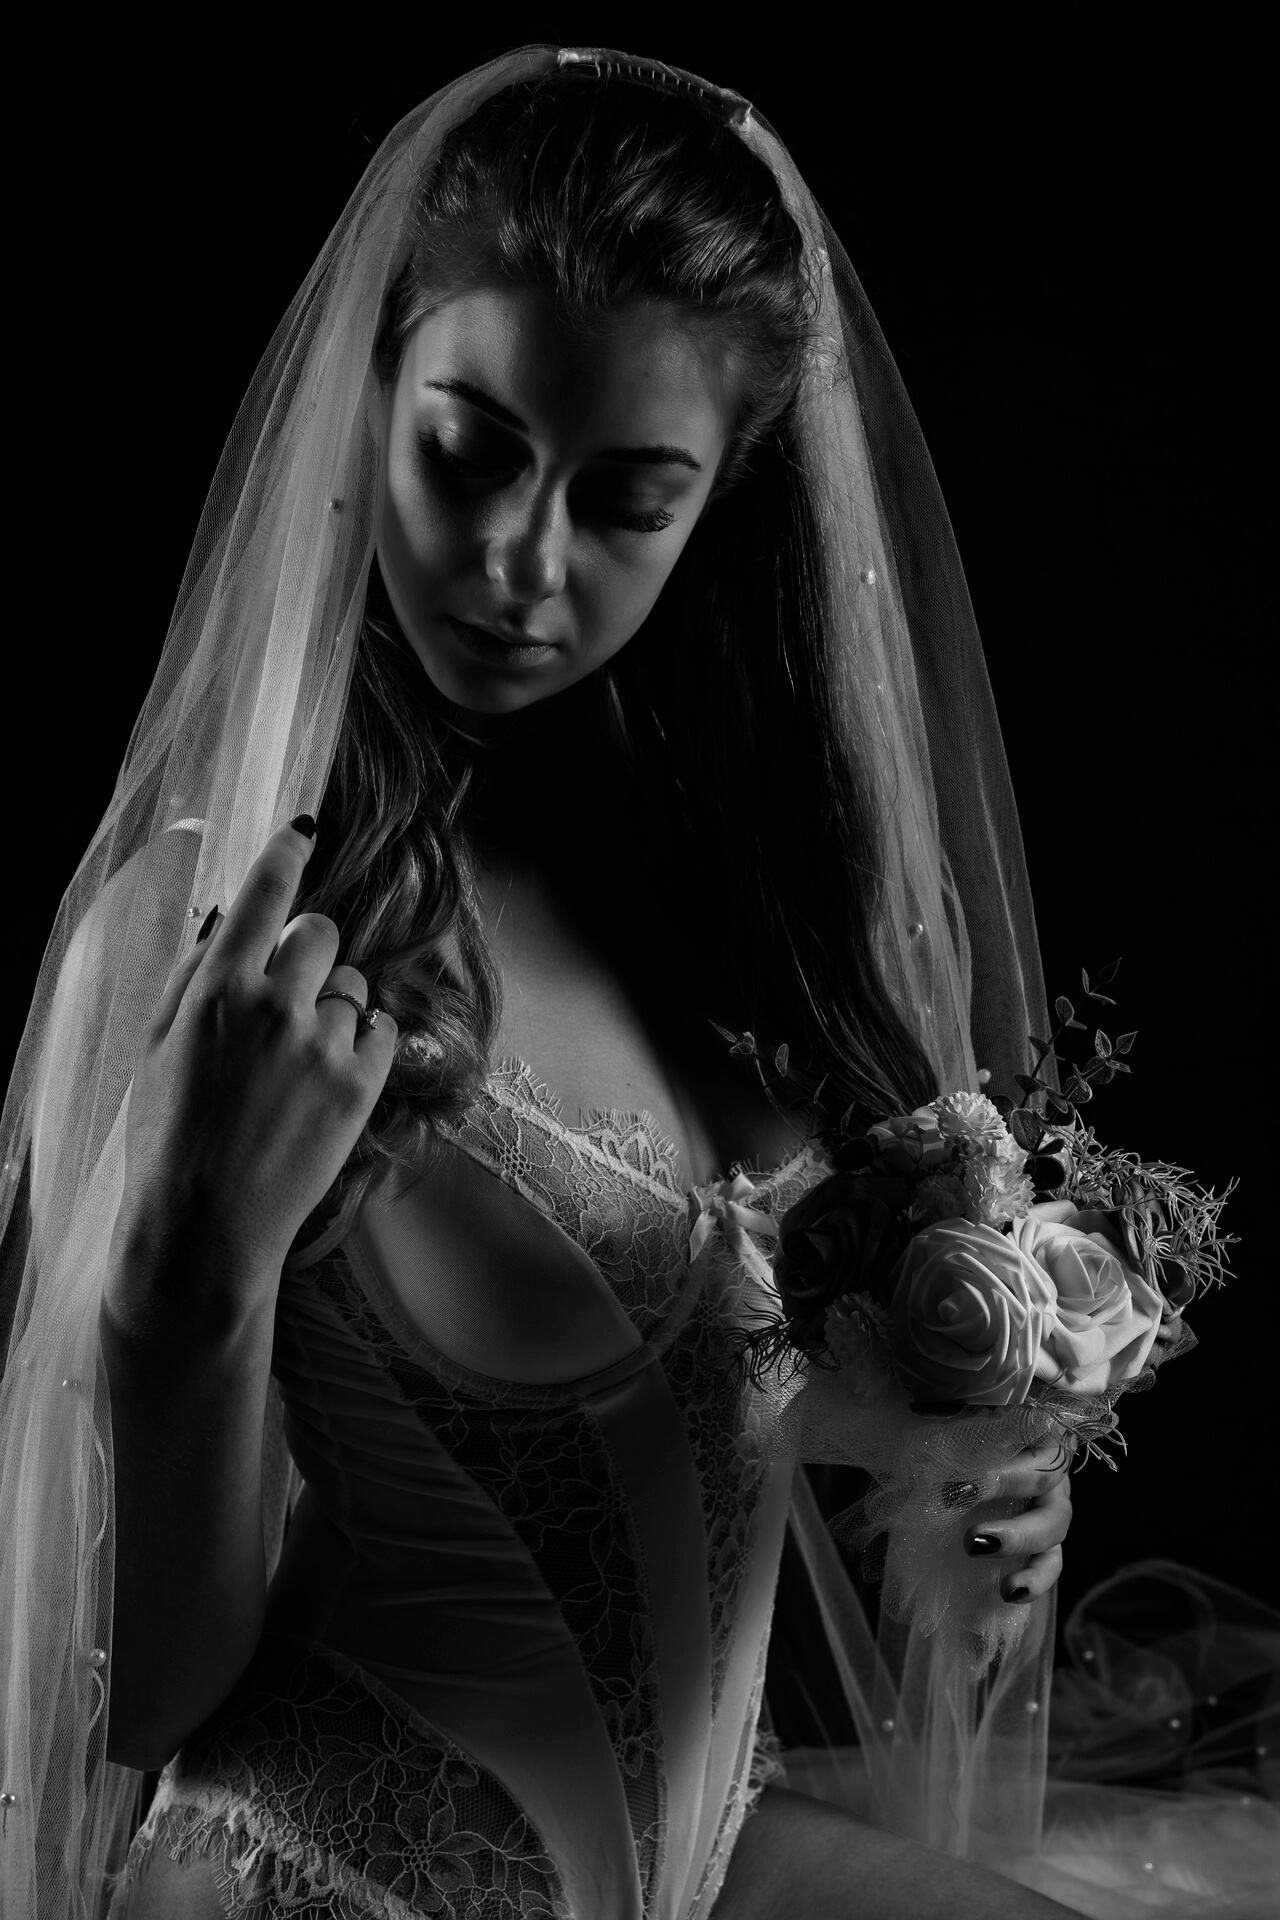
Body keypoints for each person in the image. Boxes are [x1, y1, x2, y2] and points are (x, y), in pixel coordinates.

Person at [0, 45, 1163, 1920]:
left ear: (722, 505)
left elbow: (711, 1442)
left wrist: (970, 1490)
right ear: (372, 387)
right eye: (467, 451)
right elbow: (143, 1699)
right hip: (336, 1872)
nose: (518, 563)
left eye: (627, 500)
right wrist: (187, 1279)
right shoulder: (225, 929)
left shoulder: (751, 906)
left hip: (694, 1857)